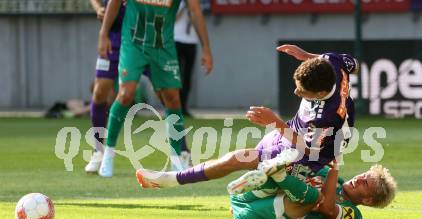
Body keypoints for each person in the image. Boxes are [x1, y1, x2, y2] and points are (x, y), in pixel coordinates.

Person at [136, 45, 358, 189]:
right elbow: (353, 64)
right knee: (254, 161)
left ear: (319, 94)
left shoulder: (326, 117)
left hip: (314, 152)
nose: (295, 92)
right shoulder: (330, 61)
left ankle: (171, 180)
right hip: (296, 130)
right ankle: (268, 173)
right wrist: (308, 57)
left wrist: (275, 123)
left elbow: (310, 149)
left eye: (302, 92)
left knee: (239, 159)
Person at [97, 0, 213, 177]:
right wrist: (103, 33)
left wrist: (206, 48)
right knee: (126, 93)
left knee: (172, 97)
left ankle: (176, 160)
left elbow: (195, 11)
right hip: (133, 43)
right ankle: (108, 154)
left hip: (162, 45)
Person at [228, 158, 397, 219]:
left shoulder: (354, 215)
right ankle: (269, 176)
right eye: (363, 175)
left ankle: (275, 174)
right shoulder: (331, 178)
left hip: (259, 217)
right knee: (298, 168)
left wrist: (334, 169)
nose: (358, 178)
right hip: (247, 200)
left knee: (314, 198)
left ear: (367, 200)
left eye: (365, 183)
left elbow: (328, 210)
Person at [86, 0, 151, 173]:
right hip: (114, 36)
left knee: (168, 93)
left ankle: (182, 152)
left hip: (144, 37)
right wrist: (99, 8)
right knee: (100, 93)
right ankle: (98, 151)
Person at [174, 1, 198, 117]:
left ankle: (184, 107)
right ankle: (174, 107)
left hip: (191, 41)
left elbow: (197, 22)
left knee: (187, 77)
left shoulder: (194, 4)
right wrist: (183, 8)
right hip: (177, 41)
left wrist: (191, 10)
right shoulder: (178, 3)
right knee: (176, 77)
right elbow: (173, 19)